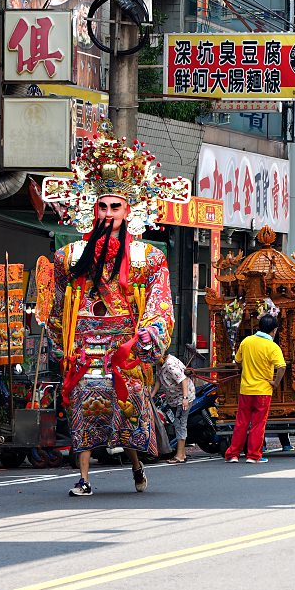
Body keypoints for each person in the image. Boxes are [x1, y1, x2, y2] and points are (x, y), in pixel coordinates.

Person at [42, 122, 188, 497]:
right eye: (102, 206)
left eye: (116, 206)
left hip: (126, 351)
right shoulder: (69, 256)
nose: (109, 213)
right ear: (93, 209)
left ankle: (137, 466)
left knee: (130, 414)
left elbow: (160, 305)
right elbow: (58, 307)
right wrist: (61, 348)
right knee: (83, 415)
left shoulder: (148, 257)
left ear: (129, 210)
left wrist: (144, 342)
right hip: (84, 350)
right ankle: (85, 477)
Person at [225, 314, 286, 464]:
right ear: (274, 330)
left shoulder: (247, 342)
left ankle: (233, 454)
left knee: (241, 422)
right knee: (258, 424)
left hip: (246, 389)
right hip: (263, 391)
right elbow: (282, 367)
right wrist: (276, 383)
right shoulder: (272, 346)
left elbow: (238, 361)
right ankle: (253, 455)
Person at [152, 352, 195, 464]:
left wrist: (185, 398)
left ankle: (180, 456)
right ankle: (182, 453)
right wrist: (151, 396)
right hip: (174, 398)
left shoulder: (170, 365)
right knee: (177, 424)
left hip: (182, 397)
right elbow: (158, 380)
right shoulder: (160, 364)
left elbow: (183, 380)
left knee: (180, 424)